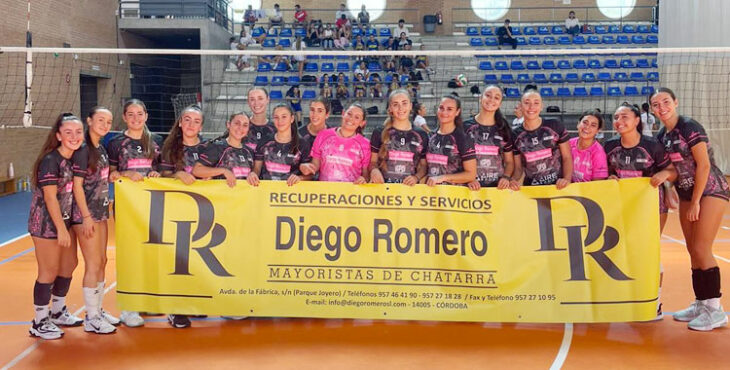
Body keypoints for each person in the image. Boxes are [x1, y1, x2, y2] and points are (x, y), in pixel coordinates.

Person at [652, 88, 730, 331]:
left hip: (710, 190)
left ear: (675, 102)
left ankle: (715, 310)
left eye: (666, 101)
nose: (661, 106)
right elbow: (671, 169)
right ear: (652, 110)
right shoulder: (661, 136)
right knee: (692, 249)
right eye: (656, 104)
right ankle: (701, 303)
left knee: (701, 247)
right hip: (686, 192)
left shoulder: (689, 126)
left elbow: (704, 165)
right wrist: (669, 189)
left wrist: (696, 201)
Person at [604, 103, 678, 322]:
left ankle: (653, 302)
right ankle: (626, 299)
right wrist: (608, 179)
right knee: (622, 252)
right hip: (621, 209)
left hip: (653, 207)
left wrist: (664, 175)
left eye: (625, 116)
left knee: (649, 253)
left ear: (637, 120)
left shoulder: (652, 146)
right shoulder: (609, 146)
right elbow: (602, 173)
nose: (620, 121)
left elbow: (672, 171)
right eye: (616, 117)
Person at [28, 113, 84, 340]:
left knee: (69, 264)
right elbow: (50, 198)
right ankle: (39, 322)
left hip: (64, 220)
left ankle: (58, 311)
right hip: (45, 224)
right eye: (68, 132)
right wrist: (61, 229)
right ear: (59, 135)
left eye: (78, 132)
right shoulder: (51, 160)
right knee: (48, 271)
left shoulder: (74, 157)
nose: (74, 136)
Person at [106, 99, 161, 328]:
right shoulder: (116, 142)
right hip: (128, 206)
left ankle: (145, 298)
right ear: (124, 117)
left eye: (140, 113)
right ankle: (129, 307)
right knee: (131, 254)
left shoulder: (155, 141)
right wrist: (126, 174)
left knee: (151, 252)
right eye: (131, 114)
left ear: (146, 116)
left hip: (152, 204)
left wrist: (158, 175)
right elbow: (110, 174)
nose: (136, 118)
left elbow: (161, 169)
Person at [70, 108, 118, 334]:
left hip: (100, 211)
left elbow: (99, 177)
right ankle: (91, 317)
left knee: (102, 260)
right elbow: (77, 186)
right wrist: (86, 217)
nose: (105, 124)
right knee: (93, 264)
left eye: (108, 121)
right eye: (100, 120)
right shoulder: (82, 150)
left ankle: (97, 310)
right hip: (86, 215)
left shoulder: (101, 148)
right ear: (89, 121)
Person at [158, 105, 205, 328]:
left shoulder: (208, 148)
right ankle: (175, 308)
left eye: (196, 121)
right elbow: (160, 175)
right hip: (176, 211)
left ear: (201, 125)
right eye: (187, 120)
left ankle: (193, 302)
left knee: (197, 259)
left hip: (202, 212)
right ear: (180, 122)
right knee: (178, 261)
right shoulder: (169, 148)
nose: (191, 125)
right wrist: (176, 174)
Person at [511, 90, 572, 189]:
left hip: (557, 187)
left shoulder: (555, 125)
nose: (531, 107)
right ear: (521, 106)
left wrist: (567, 179)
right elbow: (518, 168)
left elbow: (567, 157)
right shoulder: (515, 135)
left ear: (541, 106)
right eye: (527, 103)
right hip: (532, 189)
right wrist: (513, 181)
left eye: (536, 103)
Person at [300, 103, 371, 183]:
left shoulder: (365, 144)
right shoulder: (323, 135)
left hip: (351, 193)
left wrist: (363, 179)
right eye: (349, 114)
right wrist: (305, 167)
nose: (351, 119)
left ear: (362, 123)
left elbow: (366, 175)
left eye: (357, 117)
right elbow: (315, 166)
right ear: (343, 114)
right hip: (326, 192)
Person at [369, 90, 428, 185]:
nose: (400, 108)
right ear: (390, 108)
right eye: (395, 104)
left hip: (409, 191)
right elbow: (372, 162)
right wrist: (374, 170)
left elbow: (424, 166)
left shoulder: (421, 134)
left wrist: (416, 177)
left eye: (404, 103)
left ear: (410, 106)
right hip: (383, 190)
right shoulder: (379, 132)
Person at [464, 86, 515, 189]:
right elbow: (457, 159)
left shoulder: (503, 129)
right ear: (480, 98)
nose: (491, 100)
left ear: (500, 103)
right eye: (488, 95)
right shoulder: (465, 127)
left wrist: (506, 177)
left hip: (496, 189)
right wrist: (467, 179)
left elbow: (509, 162)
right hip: (470, 188)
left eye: (496, 97)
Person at [425, 94, 476, 186]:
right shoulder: (430, 136)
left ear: (457, 112)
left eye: (449, 109)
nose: (444, 112)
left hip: (453, 196)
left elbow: (471, 174)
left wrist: (442, 178)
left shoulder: (463, 138)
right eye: (441, 108)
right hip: (430, 195)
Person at [193, 112, 256, 187]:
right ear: (228, 125)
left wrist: (252, 174)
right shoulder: (217, 147)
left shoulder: (249, 151)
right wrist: (223, 171)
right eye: (237, 123)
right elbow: (197, 170)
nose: (240, 128)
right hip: (220, 197)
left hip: (242, 197)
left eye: (245, 125)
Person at [250, 104, 302, 186]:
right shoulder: (265, 141)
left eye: (284, 117)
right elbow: (257, 168)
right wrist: (253, 174)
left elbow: (310, 174)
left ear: (292, 119)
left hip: (291, 194)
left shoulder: (301, 143)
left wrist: (300, 178)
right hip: (267, 192)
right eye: (276, 117)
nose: (280, 121)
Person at [569, 111, 608, 182]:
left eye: (593, 125)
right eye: (585, 122)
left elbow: (597, 184)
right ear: (578, 124)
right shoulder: (569, 144)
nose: (587, 127)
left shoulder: (598, 153)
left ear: (598, 131)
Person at [299, 97, 331, 180]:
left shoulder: (333, 136)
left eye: (320, 111)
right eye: (312, 110)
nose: (315, 114)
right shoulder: (299, 134)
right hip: (301, 183)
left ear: (327, 114)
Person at [243, 88, 276, 153]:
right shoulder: (241, 127)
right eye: (252, 99)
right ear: (248, 102)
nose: (256, 103)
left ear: (268, 99)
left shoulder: (275, 129)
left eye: (260, 98)